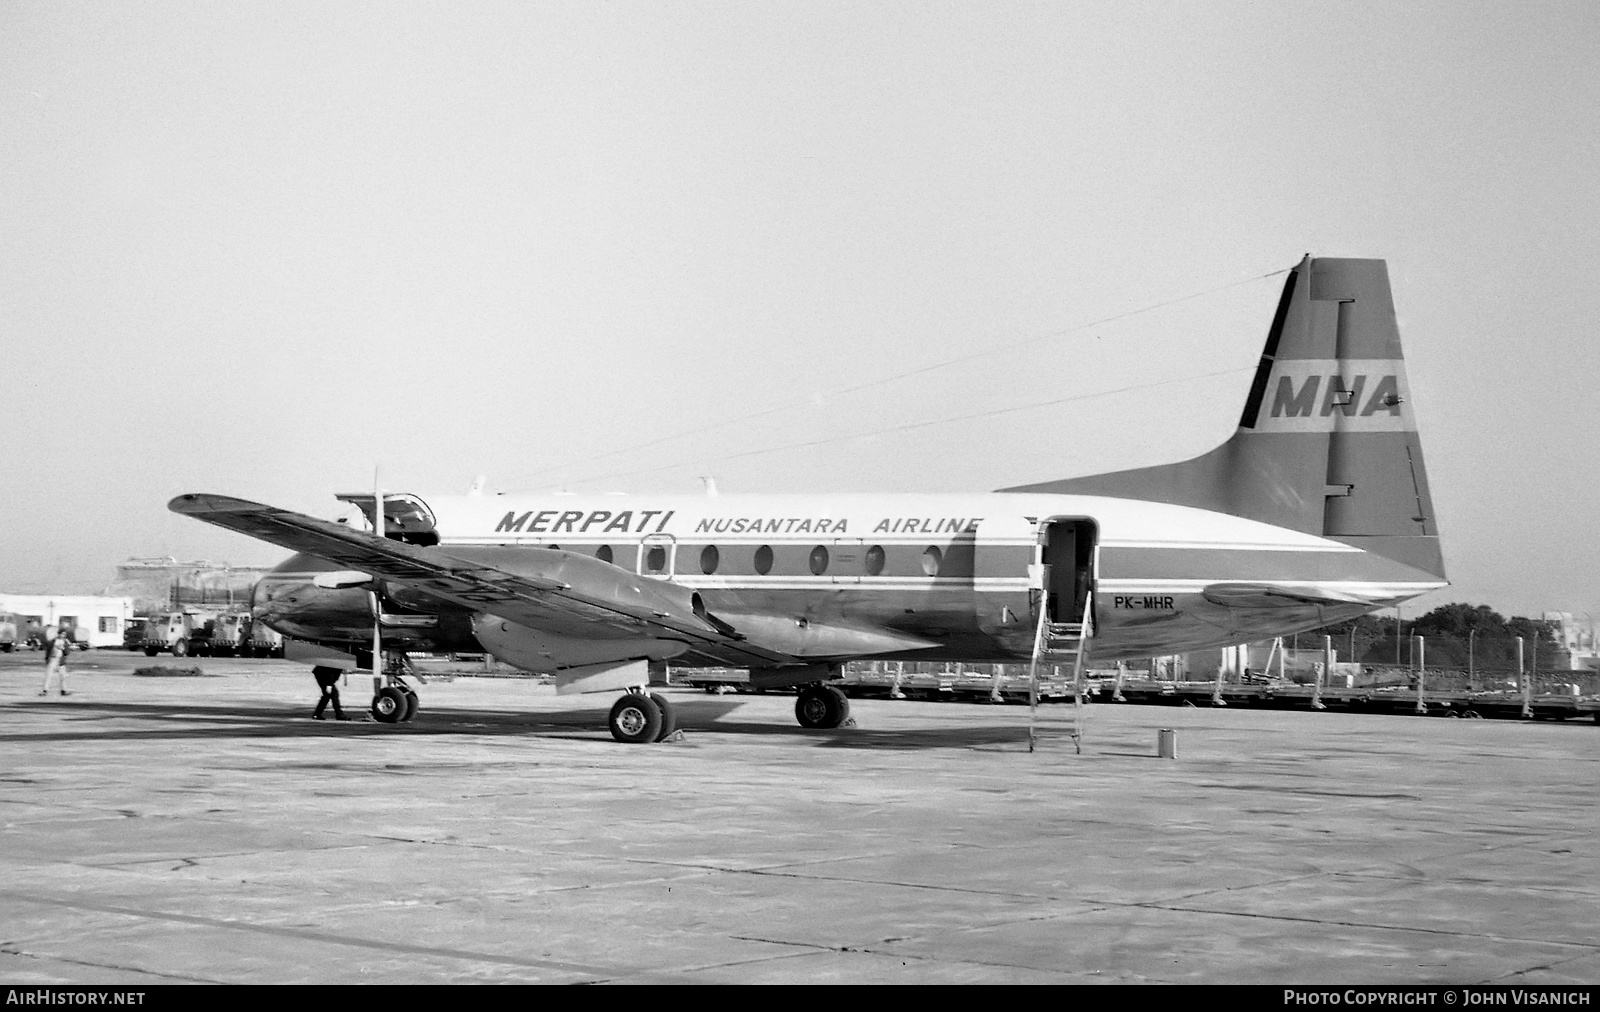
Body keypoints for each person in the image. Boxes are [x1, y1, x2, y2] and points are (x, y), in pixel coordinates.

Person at [40, 627, 72, 696]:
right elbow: (48, 651)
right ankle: (45, 690)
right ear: (58, 634)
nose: (63, 636)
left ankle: (63, 690)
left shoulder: (65, 642)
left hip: (60, 661)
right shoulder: (53, 641)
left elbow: (67, 652)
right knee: (48, 675)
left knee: (63, 676)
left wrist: (64, 648)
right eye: (62, 634)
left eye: (64, 634)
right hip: (53, 659)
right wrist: (47, 660)